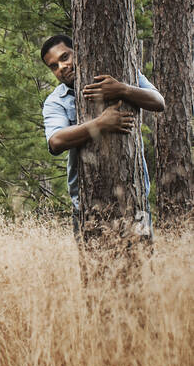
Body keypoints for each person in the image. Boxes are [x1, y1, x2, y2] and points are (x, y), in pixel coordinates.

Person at [39, 34, 163, 228]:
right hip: (87, 204)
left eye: (65, 57)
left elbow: (159, 102)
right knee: (94, 259)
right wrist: (100, 124)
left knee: (142, 257)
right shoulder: (56, 101)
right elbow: (55, 142)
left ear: (77, 51)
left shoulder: (122, 72)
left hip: (136, 198)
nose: (62, 67)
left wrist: (123, 89)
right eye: (54, 66)